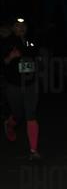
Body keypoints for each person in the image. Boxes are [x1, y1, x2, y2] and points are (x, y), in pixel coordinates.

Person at [2, 19, 41, 160]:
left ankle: (33, 151)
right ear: (13, 28)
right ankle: (10, 123)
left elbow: (34, 52)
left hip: (30, 84)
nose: (21, 28)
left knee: (31, 115)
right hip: (14, 86)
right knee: (18, 115)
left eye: (23, 26)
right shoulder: (6, 42)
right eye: (17, 26)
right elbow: (3, 62)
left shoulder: (31, 40)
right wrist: (10, 57)